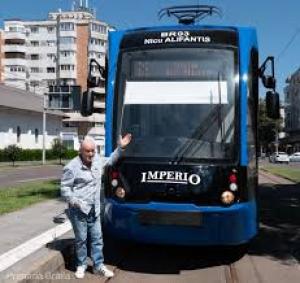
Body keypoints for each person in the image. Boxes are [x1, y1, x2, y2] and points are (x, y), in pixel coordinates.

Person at [61, 134, 131, 279]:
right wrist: (76, 202)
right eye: (88, 151)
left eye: (93, 150)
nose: (91, 154)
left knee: (97, 239)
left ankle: (98, 266)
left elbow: (111, 159)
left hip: (95, 209)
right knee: (81, 240)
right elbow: (65, 189)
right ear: (80, 150)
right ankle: (81, 265)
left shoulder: (98, 161)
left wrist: (120, 147)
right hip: (79, 211)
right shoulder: (71, 167)